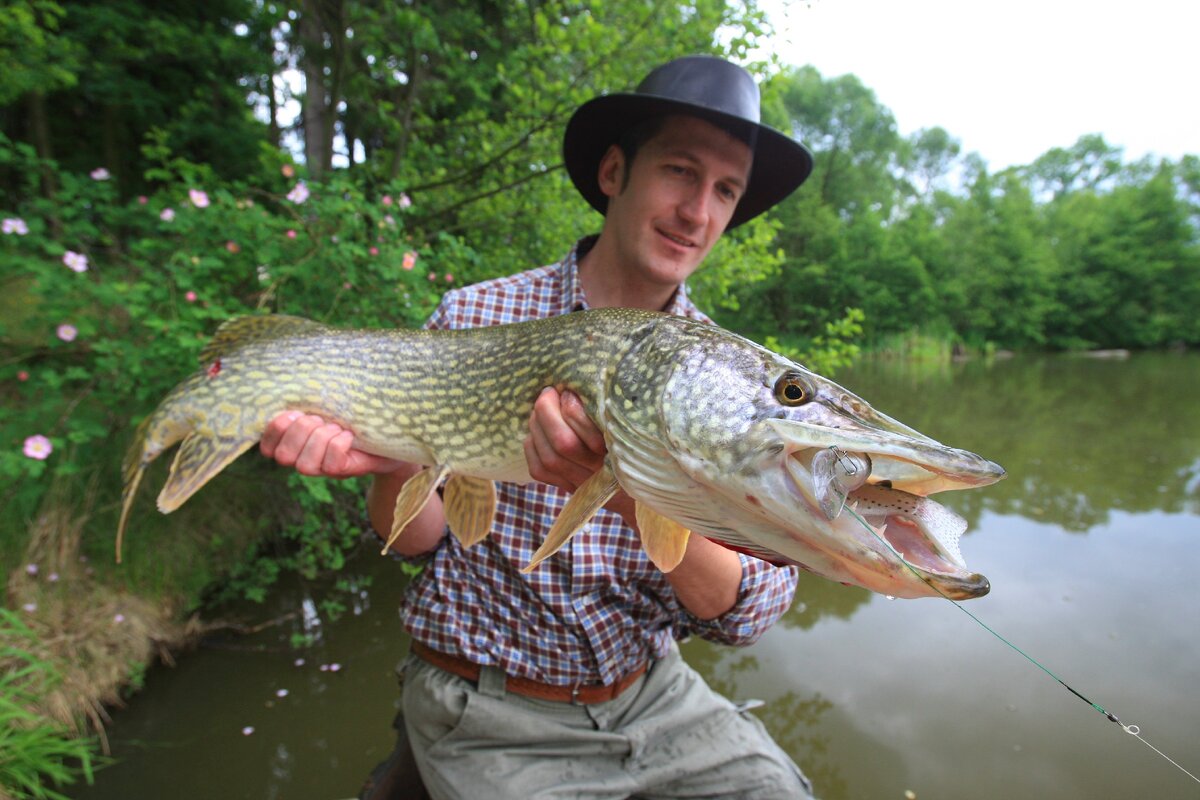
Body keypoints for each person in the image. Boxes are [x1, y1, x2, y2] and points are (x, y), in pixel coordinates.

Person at [260, 55, 816, 799]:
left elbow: (748, 612)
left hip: (651, 698)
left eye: (725, 191)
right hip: (486, 704)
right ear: (615, 172)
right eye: (680, 172)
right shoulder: (473, 318)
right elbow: (418, 540)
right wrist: (391, 457)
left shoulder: (723, 375)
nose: (698, 213)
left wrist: (632, 491)